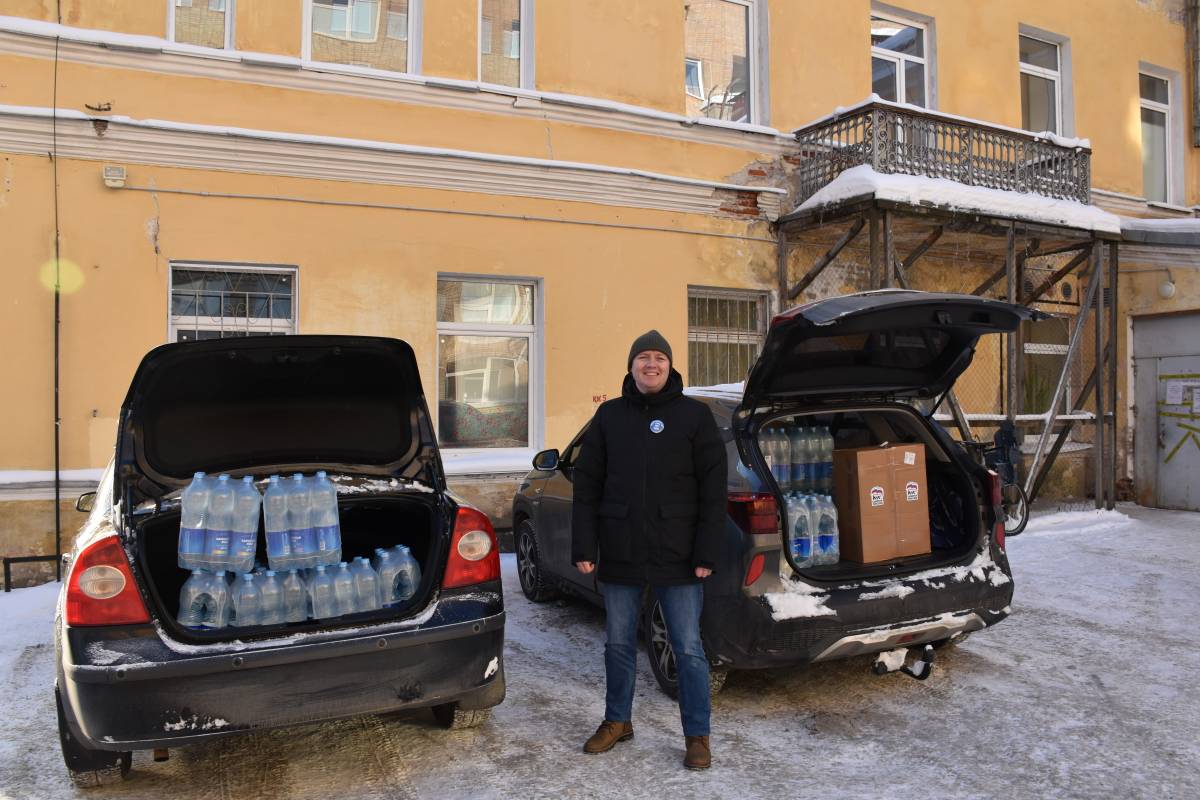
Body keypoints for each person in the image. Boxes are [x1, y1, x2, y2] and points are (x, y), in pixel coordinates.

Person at [571, 330, 727, 771]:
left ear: (670, 365)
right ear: (631, 366)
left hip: (678, 554)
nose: (651, 364)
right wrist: (586, 545)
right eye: (643, 358)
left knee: (688, 649)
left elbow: (713, 492)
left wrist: (706, 553)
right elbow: (587, 486)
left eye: (659, 357)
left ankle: (697, 735)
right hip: (621, 550)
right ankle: (617, 721)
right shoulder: (609, 416)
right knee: (618, 643)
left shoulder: (694, 417)